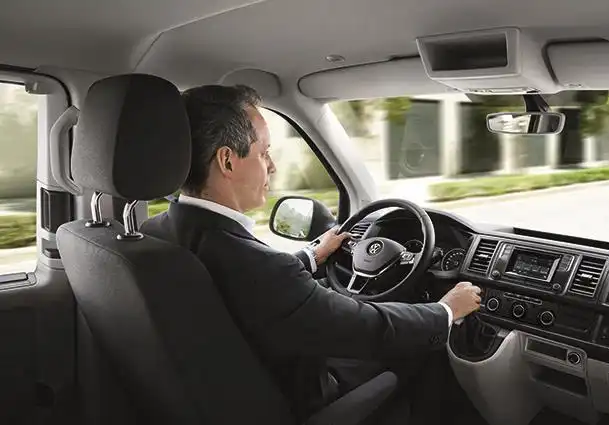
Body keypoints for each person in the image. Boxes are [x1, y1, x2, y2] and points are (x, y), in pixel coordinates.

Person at [141, 84, 482, 423]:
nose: (272, 166)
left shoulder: (155, 234)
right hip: (300, 401)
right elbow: (366, 327)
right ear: (227, 161)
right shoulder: (255, 266)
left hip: (228, 389)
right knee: (424, 352)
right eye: (264, 153)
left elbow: (249, 285)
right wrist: (445, 311)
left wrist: (310, 256)